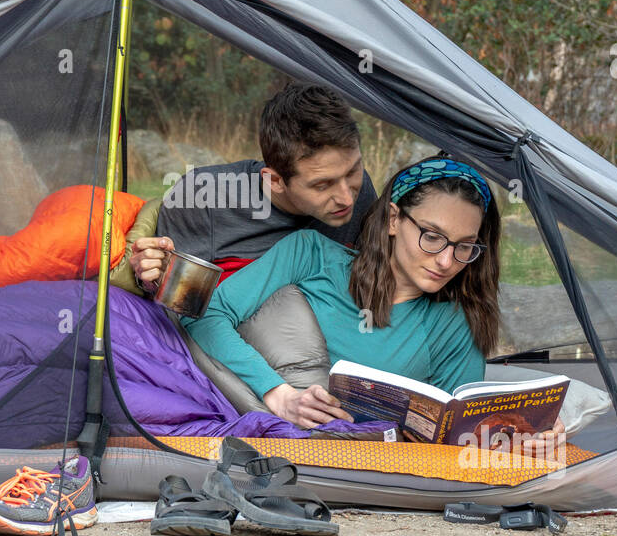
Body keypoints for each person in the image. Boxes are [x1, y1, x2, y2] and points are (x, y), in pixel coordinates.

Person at [184, 156, 553, 446]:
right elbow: (202, 314)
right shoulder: (310, 256)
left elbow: (456, 434)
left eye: (464, 246)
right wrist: (278, 394)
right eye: (432, 236)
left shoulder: (454, 323)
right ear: (394, 219)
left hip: (354, 459)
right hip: (237, 410)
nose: (446, 260)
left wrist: (521, 433)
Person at [129, 82, 377, 291]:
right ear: (275, 181)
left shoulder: (360, 190)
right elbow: (172, 297)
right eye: (322, 185)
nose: (346, 198)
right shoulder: (203, 197)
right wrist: (152, 277)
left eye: (353, 170)